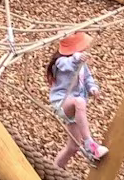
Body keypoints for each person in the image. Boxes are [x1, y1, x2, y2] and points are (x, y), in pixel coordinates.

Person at [46, 32, 108, 168]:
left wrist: (93, 88)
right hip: (62, 103)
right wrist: (76, 57)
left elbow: (88, 79)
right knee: (79, 101)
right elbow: (67, 64)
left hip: (74, 111)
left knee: (73, 147)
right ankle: (90, 143)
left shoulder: (82, 65)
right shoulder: (60, 62)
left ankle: (55, 170)